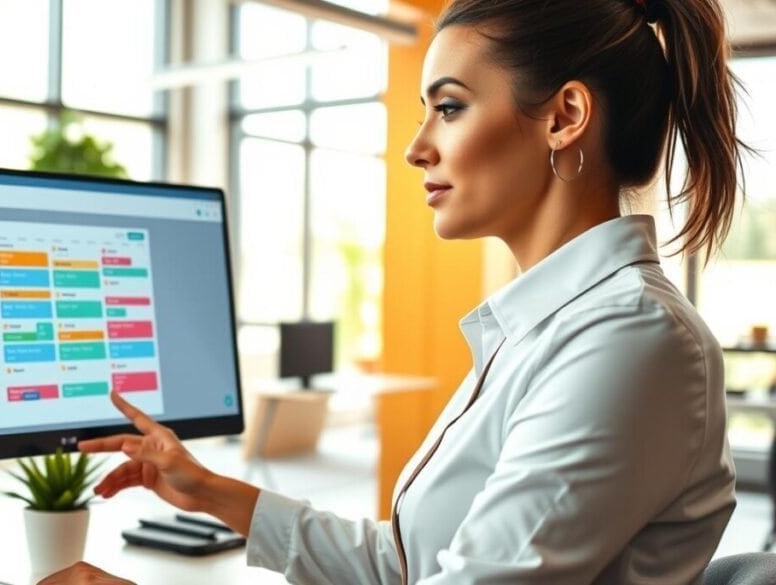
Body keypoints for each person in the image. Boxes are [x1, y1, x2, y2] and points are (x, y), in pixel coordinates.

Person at [40, 0, 748, 582]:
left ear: (564, 117)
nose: (417, 148)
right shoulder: (548, 328)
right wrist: (210, 488)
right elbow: (406, 563)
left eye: (449, 106)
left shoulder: (630, 339)